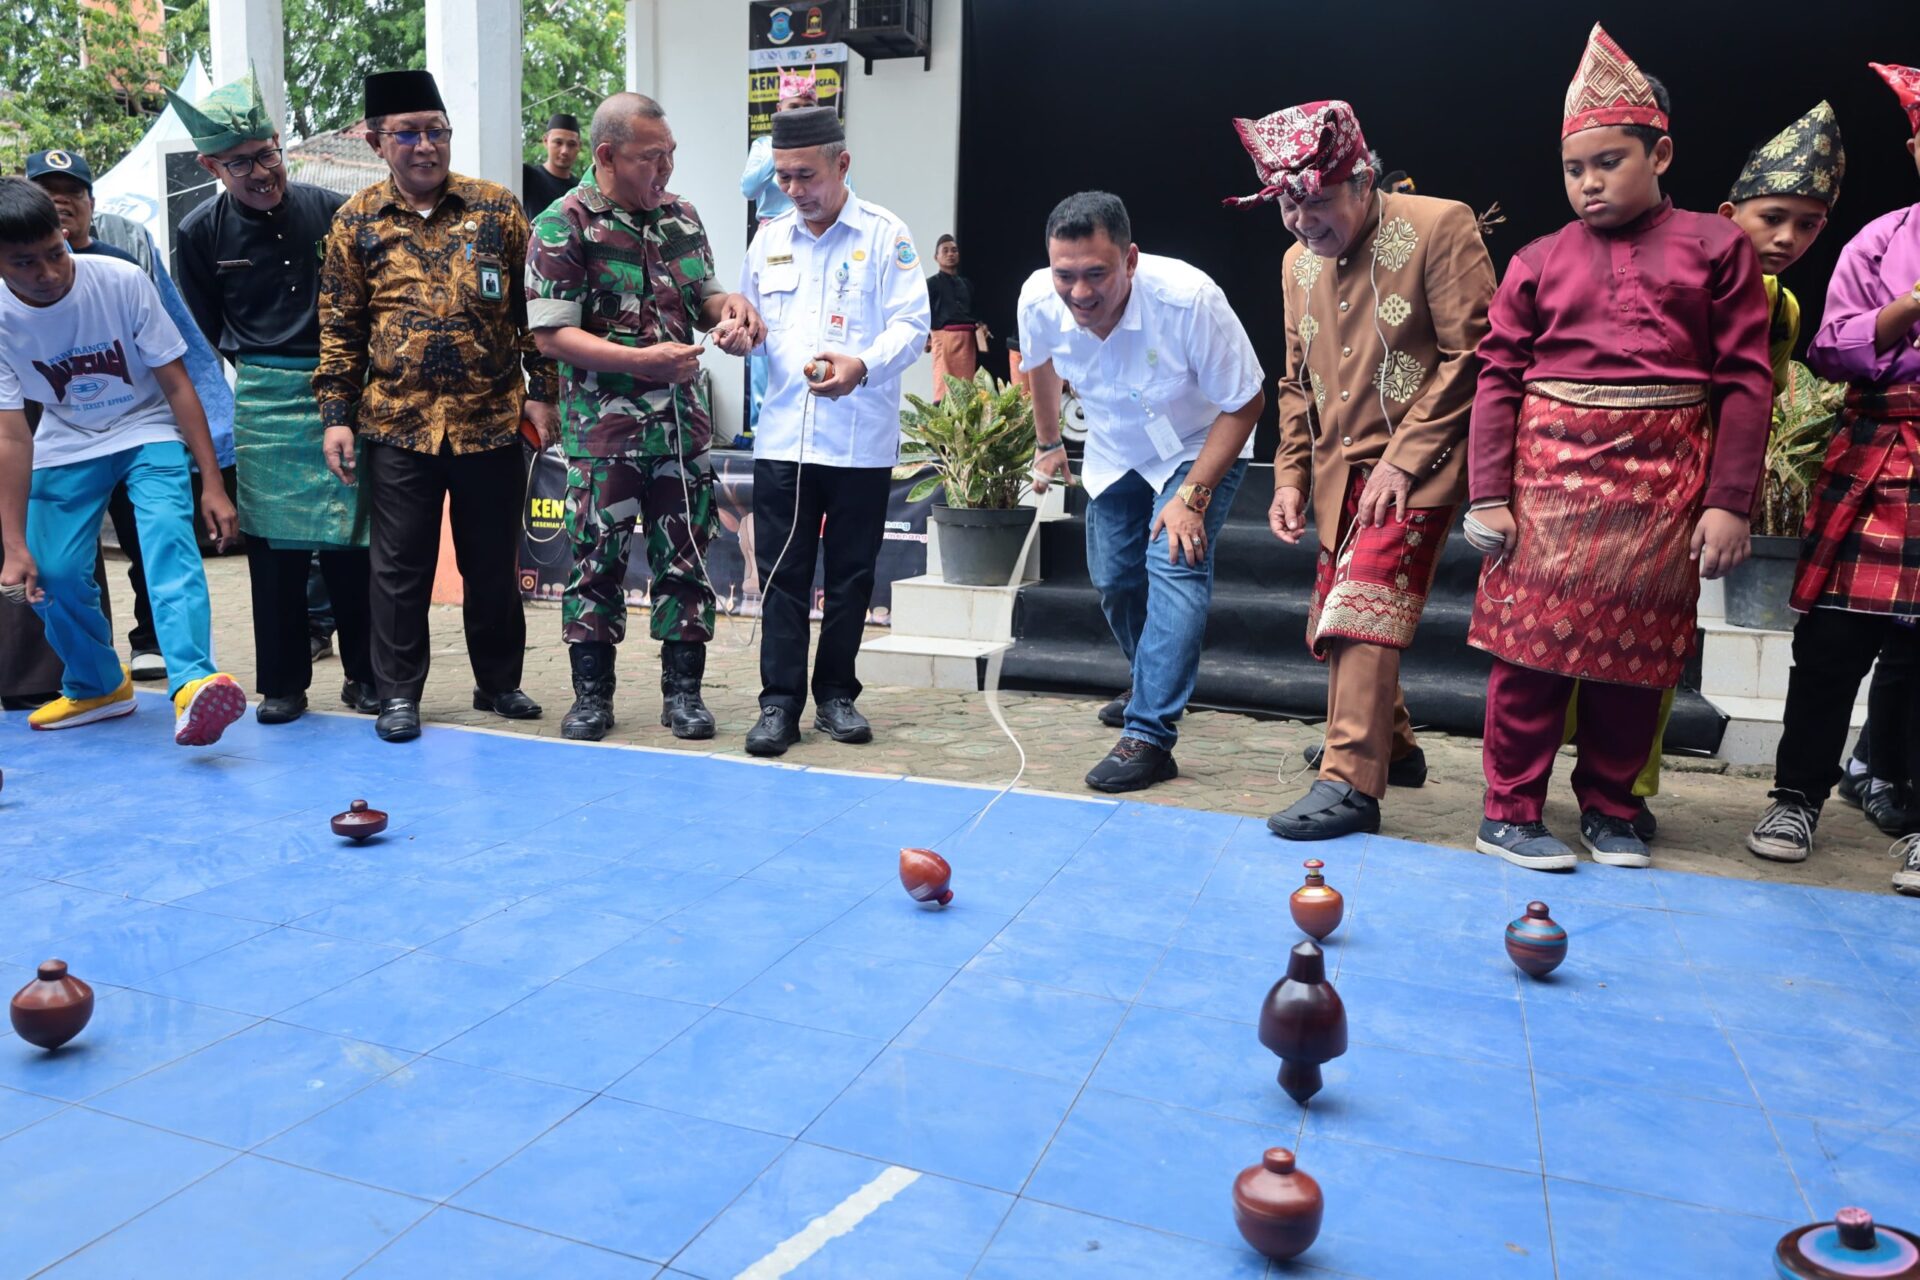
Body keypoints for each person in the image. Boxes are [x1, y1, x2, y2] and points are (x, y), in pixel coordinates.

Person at [1466, 26, 1771, 872]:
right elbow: (1496, 380)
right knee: (1532, 656)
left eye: (1609, 162)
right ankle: (1509, 810)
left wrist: (1727, 502)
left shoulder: (1719, 248)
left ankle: (1610, 806)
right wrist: (1487, 493)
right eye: (1574, 168)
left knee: (1633, 664)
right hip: (1548, 488)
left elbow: (1746, 382)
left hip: (1664, 490)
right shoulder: (1537, 259)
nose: (1590, 182)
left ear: (1660, 152)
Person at [1570, 99, 1849, 841]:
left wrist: (1728, 494)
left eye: (1808, 224)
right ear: (1732, 213)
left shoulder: (1781, 307)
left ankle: (1626, 785)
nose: (1786, 237)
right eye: (1771, 218)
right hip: (1611, 470)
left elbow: (1754, 404)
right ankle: (1557, 776)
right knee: (1570, 628)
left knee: (1655, 639)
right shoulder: (1680, 267)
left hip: (1689, 492)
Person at [1227, 101, 1495, 839]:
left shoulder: (1440, 226)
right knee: (1339, 612)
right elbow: (1293, 382)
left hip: (1423, 462)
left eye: (1315, 201)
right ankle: (1395, 745)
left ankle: (1350, 779)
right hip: (1336, 472)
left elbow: (1477, 354)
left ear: (1362, 179)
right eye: (1287, 203)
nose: (1300, 220)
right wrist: (1287, 476)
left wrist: (1405, 462)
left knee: (1362, 606)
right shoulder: (1293, 262)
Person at [315, 69, 558, 743]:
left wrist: (544, 395)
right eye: (409, 134)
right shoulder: (355, 221)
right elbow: (339, 329)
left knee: (492, 564)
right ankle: (399, 696)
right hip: (398, 425)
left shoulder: (498, 210)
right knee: (399, 569)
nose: (426, 146)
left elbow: (532, 312)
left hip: (490, 419)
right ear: (375, 141)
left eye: (437, 131)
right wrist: (335, 416)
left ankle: (499, 681)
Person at [525, 93, 763, 742]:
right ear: (606, 157)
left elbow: (705, 295)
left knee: (685, 562)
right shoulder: (562, 224)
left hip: (682, 433)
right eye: (651, 157)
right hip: (604, 435)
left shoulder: (680, 216)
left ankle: (683, 695)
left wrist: (731, 314)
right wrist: (645, 361)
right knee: (595, 565)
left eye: (671, 155)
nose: (666, 170)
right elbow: (551, 336)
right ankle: (592, 698)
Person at [1021, 191, 1265, 792]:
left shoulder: (1188, 300)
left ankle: (1150, 735)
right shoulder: (1037, 297)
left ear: (1130, 259)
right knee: (1114, 578)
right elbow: (1041, 365)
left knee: (1174, 562)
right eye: (1066, 276)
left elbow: (1247, 402)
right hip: (1116, 448)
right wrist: (1049, 442)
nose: (1080, 293)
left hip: (1196, 444)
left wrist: (1194, 496)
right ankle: (1149, 678)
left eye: (1097, 274)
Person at [1747, 61, 1920, 897]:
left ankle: (1917, 818)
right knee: (1831, 646)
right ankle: (1795, 797)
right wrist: (1909, 308)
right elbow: (1831, 348)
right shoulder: (1883, 240)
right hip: (1879, 447)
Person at [0, 178, 247, 745]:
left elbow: (179, 386)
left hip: (146, 424)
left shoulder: (120, 280)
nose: (47, 271)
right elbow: (12, 435)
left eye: (55, 252)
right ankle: (96, 685)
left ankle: (192, 684)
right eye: (24, 263)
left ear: (65, 235)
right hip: (68, 437)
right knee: (52, 572)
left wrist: (213, 481)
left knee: (166, 543)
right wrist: (13, 543)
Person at [169, 70, 377, 726]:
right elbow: (200, 341)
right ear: (211, 165)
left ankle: (368, 676)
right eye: (240, 163)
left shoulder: (332, 212)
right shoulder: (200, 233)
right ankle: (283, 682)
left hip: (342, 389)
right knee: (274, 548)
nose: (261, 172)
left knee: (353, 540)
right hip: (260, 395)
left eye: (267, 155)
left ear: (280, 144)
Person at [736, 105, 930, 756]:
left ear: (841, 165)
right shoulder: (769, 240)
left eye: (806, 175)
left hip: (858, 442)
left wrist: (862, 365)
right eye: (784, 177)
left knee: (850, 576)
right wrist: (739, 336)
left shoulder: (883, 236)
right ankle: (778, 705)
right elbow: (750, 322)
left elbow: (913, 326)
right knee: (782, 575)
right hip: (784, 439)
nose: (794, 189)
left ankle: (838, 696)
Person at [740, 66, 847, 443]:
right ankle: (759, 422)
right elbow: (749, 187)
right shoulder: (762, 146)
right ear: (778, 111)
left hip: (820, 238)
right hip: (774, 238)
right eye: (791, 108)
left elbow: (845, 191)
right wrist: (781, 150)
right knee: (762, 326)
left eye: (807, 106)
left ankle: (815, 412)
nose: (799, 112)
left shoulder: (828, 154)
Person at [926, 233, 987, 399]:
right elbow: (924, 313)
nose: (950, 254)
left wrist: (981, 326)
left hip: (967, 341)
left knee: (966, 390)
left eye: (954, 250)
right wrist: (926, 339)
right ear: (936, 257)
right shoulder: (931, 284)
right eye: (945, 251)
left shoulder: (966, 284)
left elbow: (974, 312)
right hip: (944, 338)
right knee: (943, 387)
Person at [523, 111, 580, 217]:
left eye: (571, 144)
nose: (564, 151)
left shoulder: (581, 189)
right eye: (558, 142)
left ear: (579, 146)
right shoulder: (526, 176)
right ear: (545, 141)